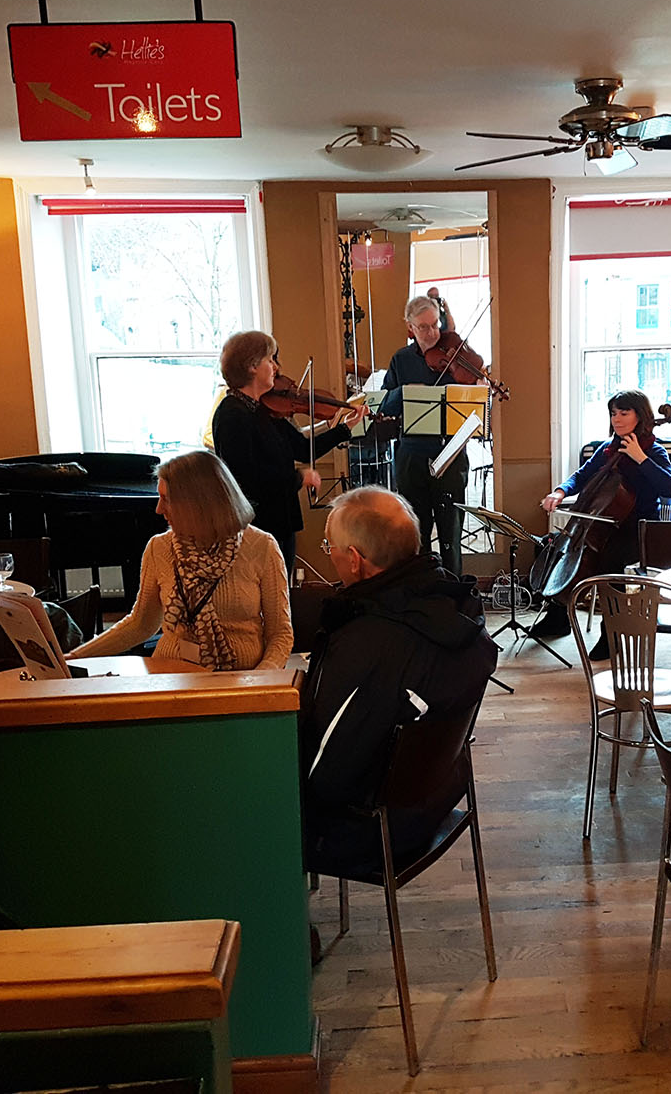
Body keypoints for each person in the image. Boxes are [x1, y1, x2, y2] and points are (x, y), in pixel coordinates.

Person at [299, 486, 497, 871]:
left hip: (377, 831)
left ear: (354, 560)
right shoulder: (457, 604)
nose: (330, 554)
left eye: (329, 547)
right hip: (439, 796)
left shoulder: (368, 644)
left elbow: (323, 779)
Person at [68, 450, 293, 671]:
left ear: (198, 504)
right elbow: (140, 624)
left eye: (166, 499)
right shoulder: (159, 547)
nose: (158, 509)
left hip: (240, 678)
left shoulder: (261, 546)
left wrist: (261, 678)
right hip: (171, 675)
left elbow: (280, 634)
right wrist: (73, 658)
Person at [533, 389, 671, 659]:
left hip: (639, 530)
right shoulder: (609, 448)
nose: (617, 419)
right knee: (549, 545)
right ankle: (558, 616)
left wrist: (640, 457)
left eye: (624, 413)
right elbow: (581, 475)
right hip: (605, 526)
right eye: (613, 413)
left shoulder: (654, 451)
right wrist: (560, 492)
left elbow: (669, 487)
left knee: (609, 560)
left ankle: (612, 633)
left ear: (640, 416)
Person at [212, 330, 367, 575]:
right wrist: (298, 478)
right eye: (270, 360)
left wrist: (345, 428)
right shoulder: (232, 414)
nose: (276, 367)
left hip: (281, 519)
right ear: (252, 366)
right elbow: (246, 479)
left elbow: (302, 449)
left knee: (283, 588)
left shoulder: (264, 409)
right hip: (258, 524)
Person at [380, 295, 478, 577]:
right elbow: (384, 403)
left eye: (435, 324)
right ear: (410, 327)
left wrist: (479, 387)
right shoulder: (401, 360)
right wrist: (405, 392)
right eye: (423, 327)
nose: (432, 332)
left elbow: (474, 399)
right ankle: (422, 591)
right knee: (416, 532)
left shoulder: (457, 355)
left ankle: (453, 593)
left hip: (451, 454)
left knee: (451, 534)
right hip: (412, 456)